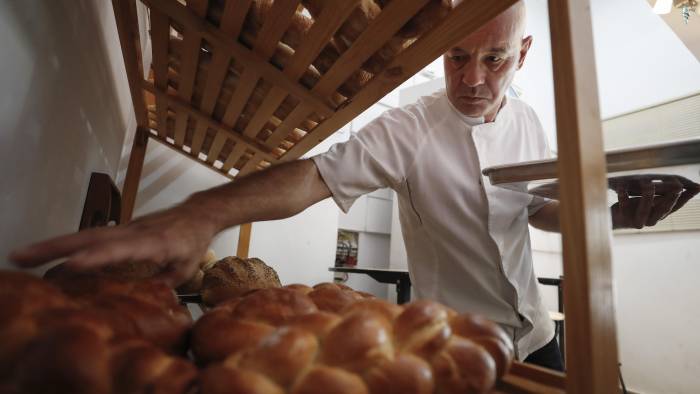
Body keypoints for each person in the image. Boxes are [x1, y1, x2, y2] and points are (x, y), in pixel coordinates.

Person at [9, 1, 697, 372]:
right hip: (451, 347)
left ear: (521, 54)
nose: (474, 79)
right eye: (457, 57)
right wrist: (202, 212)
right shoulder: (408, 128)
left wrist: (608, 215)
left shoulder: (534, 122)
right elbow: (312, 178)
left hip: (540, 340)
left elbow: (537, 212)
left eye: (493, 59)